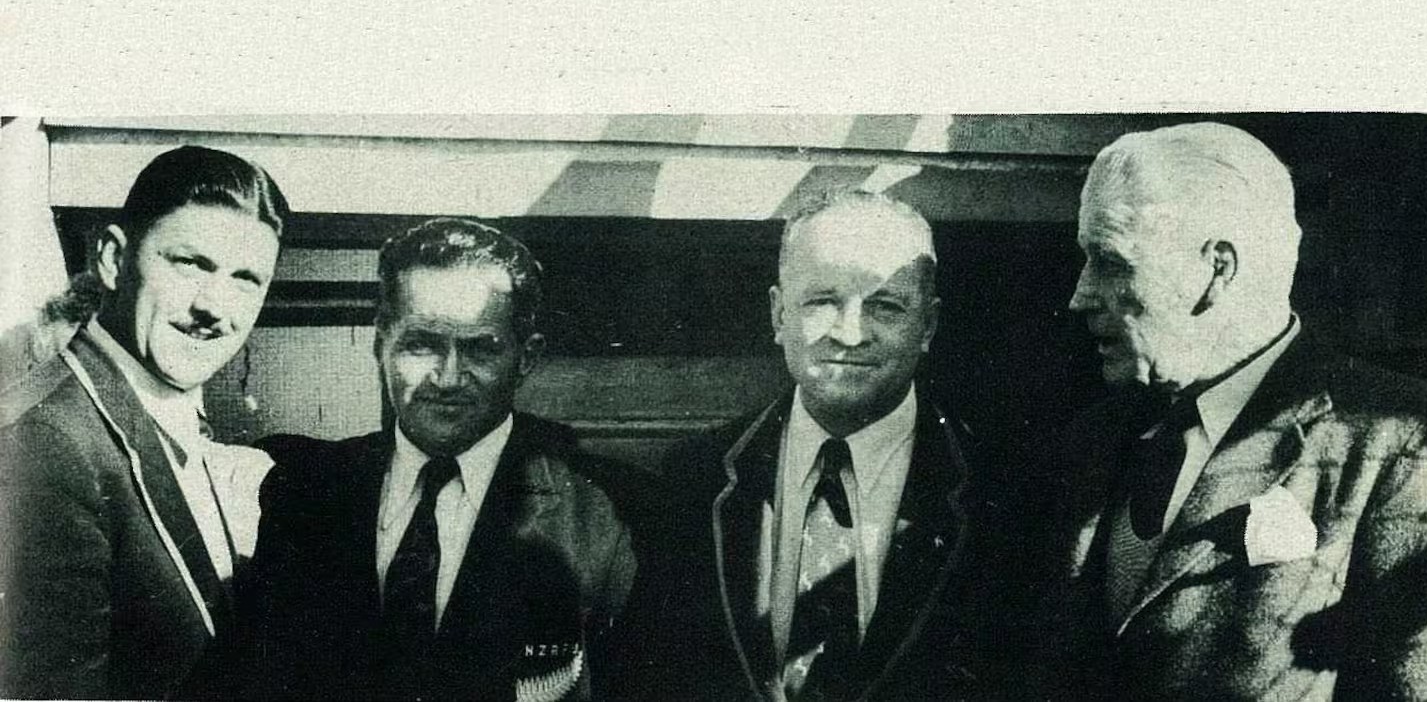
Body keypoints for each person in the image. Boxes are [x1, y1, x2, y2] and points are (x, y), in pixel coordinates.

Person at [1032, 122, 1427, 700]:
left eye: (1111, 261)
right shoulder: (1093, 437)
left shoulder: (1396, 446)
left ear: (1217, 269)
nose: (1080, 295)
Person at [242, 217, 637, 701]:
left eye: (481, 349)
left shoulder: (608, 519)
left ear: (526, 357)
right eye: (422, 345)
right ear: (380, 345)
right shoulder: (303, 490)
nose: (448, 378)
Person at [649, 190, 984, 701]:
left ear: (928, 326)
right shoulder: (694, 478)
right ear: (779, 314)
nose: (850, 334)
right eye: (823, 301)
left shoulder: (999, 488)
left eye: (885, 306)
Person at [0, 145, 289, 699]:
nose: (214, 307)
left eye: (246, 279)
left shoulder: (160, 418)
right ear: (113, 259)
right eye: (190, 263)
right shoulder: (46, 442)